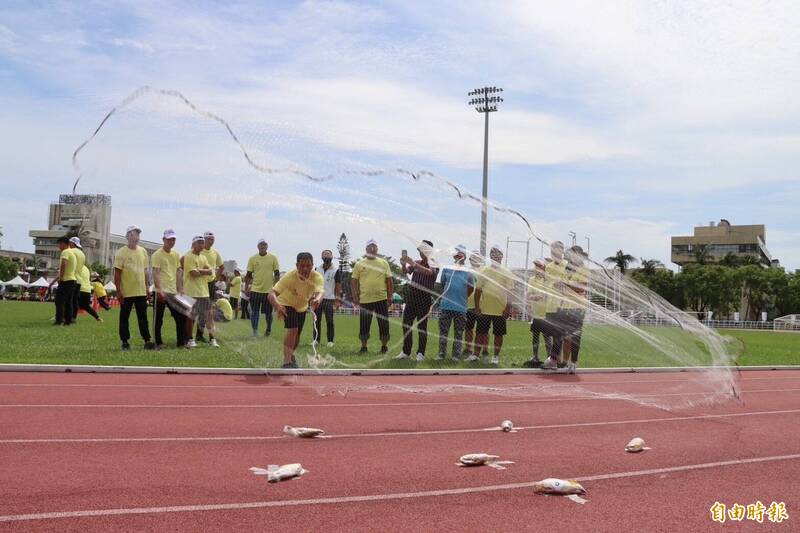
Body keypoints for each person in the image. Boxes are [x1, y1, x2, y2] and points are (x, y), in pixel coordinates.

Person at [268, 252, 324, 368]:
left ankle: (291, 355)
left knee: (297, 335)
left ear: (313, 265)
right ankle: (287, 361)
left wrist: (317, 300)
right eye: (302, 266)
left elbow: (320, 292)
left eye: (308, 266)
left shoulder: (317, 277)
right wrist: (278, 306)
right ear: (296, 265)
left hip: (302, 307)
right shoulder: (289, 277)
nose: (305, 269)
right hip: (286, 303)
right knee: (293, 329)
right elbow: (271, 294)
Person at [471, 245, 515, 365]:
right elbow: (478, 290)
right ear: (490, 256)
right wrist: (476, 306)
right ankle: (475, 355)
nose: (495, 255)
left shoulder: (507, 272)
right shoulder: (484, 270)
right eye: (493, 253)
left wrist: (507, 308)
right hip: (484, 309)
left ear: (502, 256)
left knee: (498, 335)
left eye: (498, 253)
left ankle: (495, 357)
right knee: (480, 333)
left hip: (500, 310)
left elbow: (511, 292)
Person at [114, 225, 154, 351]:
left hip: (141, 291)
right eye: (134, 234)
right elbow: (117, 274)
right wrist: (119, 291)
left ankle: (147, 340)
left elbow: (145, 271)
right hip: (126, 292)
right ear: (128, 236)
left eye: (138, 234)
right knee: (124, 318)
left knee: (143, 318)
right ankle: (125, 341)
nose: (136, 237)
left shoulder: (143, 251)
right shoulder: (121, 252)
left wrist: (147, 287)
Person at [397, 240, 439, 361]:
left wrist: (413, 264)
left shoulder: (434, 264)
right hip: (412, 296)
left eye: (422, 251)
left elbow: (429, 273)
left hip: (424, 298)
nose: (420, 253)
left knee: (422, 327)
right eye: (420, 251)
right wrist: (404, 264)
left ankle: (421, 353)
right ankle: (406, 352)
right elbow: (405, 271)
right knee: (406, 324)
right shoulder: (416, 262)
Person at [351, 239, 393, 354]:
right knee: (364, 324)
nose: (373, 249)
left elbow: (389, 280)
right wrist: (355, 296)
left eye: (374, 247)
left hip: (381, 299)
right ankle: (364, 347)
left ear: (377, 249)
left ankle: (384, 346)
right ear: (366, 249)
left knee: (384, 324)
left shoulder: (384, 263)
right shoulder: (359, 264)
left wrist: (390, 296)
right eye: (370, 247)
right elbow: (354, 281)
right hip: (365, 300)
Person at [436, 245, 474, 360]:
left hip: (461, 307)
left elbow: (471, 288)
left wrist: (463, 297)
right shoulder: (447, 268)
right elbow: (442, 284)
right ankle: (441, 354)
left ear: (465, 257)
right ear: (454, 256)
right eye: (457, 254)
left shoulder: (468, 272)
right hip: (446, 306)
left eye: (461, 254)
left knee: (458, 333)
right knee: (443, 332)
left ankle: (456, 355)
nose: (458, 256)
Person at [151, 229, 187, 349]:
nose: (172, 241)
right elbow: (155, 273)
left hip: (173, 292)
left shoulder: (176, 255)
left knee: (181, 317)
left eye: (173, 239)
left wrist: (180, 289)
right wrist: (159, 290)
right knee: (158, 319)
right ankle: (158, 342)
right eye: (169, 239)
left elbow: (178, 272)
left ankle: (181, 343)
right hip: (160, 291)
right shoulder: (157, 254)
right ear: (163, 240)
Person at [560, 246, 589, 373]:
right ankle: (565, 362)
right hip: (565, 306)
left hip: (578, 308)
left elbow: (581, 289)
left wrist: (564, 283)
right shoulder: (568, 269)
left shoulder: (584, 270)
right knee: (566, 337)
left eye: (575, 254)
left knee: (575, 337)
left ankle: (573, 362)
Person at [542, 241, 571, 369]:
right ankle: (555, 360)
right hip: (550, 305)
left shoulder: (568, 266)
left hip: (563, 305)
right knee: (554, 334)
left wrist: (563, 283)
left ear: (562, 250)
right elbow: (545, 285)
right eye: (552, 250)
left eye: (557, 249)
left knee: (563, 335)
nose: (554, 252)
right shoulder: (548, 267)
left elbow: (572, 283)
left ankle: (559, 360)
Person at [181, 235, 213, 349]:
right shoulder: (188, 256)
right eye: (199, 242)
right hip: (191, 291)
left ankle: (212, 339)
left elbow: (211, 272)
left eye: (202, 243)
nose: (201, 245)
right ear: (193, 244)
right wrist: (205, 271)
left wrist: (200, 270)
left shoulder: (203, 257)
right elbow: (193, 273)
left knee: (209, 315)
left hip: (204, 291)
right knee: (191, 316)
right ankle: (190, 339)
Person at [245, 238, 280, 337]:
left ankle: (268, 329)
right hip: (255, 290)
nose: (263, 246)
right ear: (258, 246)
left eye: (265, 244)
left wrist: (276, 288)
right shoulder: (252, 258)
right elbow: (248, 275)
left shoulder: (273, 258)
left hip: (268, 291)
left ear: (267, 246)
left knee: (269, 313)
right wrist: (247, 287)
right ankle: (255, 331)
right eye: (261, 244)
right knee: (254, 312)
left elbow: (277, 274)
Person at [523, 260, 552, 368]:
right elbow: (529, 295)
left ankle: (550, 357)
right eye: (536, 266)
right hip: (536, 313)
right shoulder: (532, 280)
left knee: (547, 337)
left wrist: (537, 296)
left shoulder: (548, 281)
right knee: (535, 336)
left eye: (539, 266)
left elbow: (548, 295)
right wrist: (537, 297)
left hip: (546, 314)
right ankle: (535, 356)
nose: (537, 269)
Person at [196, 231, 224, 344]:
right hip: (200, 283)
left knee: (210, 310)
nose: (210, 241)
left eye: (212, 239)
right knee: (200, 310)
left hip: (211, 284)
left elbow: (221, 267)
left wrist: (216, 278)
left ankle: (210, 336)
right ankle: (199, 334)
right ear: (204, 239)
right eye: (208, 239)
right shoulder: (199, 251)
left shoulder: (215, 253)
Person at [314, 249, 342, 347]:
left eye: (329, 255)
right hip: (318, 299)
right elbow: (313, 284)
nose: (327, 256)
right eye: (325, 255)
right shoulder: (317, 269)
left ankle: (330, 341)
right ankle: (316, 340)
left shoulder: (336, 270)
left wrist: (337, 300)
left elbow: (338, 286)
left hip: (330, 299)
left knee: (329, 321)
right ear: (322, 257)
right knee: (316, 320)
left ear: (332, 257)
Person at [462, 250, 484, 358]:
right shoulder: (466, 270)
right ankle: (468, 348)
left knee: (482, 329)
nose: (474, 259)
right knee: (468, 328)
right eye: (472, 258)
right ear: (469, 259)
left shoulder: (484, 271)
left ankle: (484, 349)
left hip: (481, 305)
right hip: (468, 304)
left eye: (477, 257)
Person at [51, 236, 77, 326]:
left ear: (63, 243)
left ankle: (59, 321)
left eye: (59, 244)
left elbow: (64, 264)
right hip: (72, 280)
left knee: (59, 301)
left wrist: (61, 278)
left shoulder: (65, 252)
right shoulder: (72, 252)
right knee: (68, 302)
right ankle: (68, 321)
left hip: (66, 280)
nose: (59, 246)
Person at [68, 237, 86, 320]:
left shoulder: (71, 251)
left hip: (71, 278)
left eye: (70, 243)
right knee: (74, 300)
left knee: (68, 299)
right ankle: (73, 317)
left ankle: (66, 316)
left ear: (73, 243)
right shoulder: (82, 254)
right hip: (79, 279)